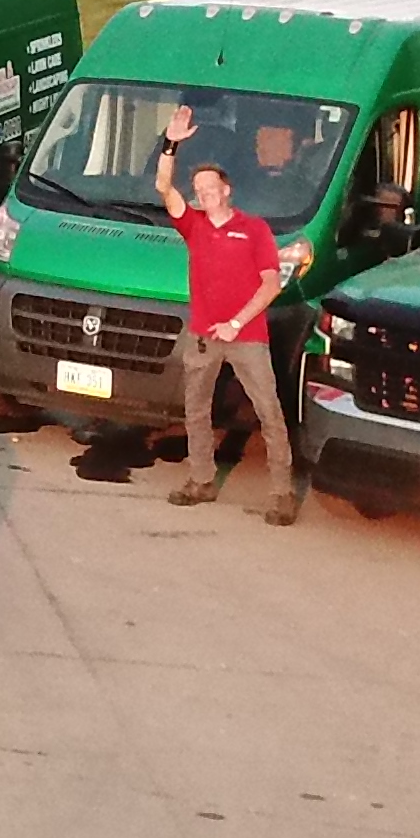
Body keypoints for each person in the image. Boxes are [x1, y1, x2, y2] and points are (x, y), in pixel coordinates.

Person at [157, 102, 300, 525]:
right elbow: (164, 188)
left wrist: (236, 322)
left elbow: (271, 285)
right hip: (202, 334)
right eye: (198, 189)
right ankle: (200, 480)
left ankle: (282, 492)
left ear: (227, 189)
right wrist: (170, 144)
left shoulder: (255, 229)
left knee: (269, 412)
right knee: (195, 410)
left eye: (210, 187)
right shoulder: (193, 224)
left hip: (248, 336)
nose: (203, 193)